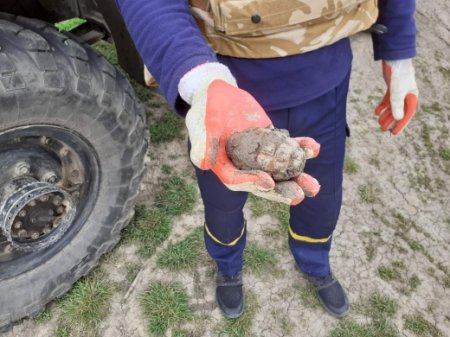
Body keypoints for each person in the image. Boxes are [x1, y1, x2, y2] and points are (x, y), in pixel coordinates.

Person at [117, 0, 418, 319]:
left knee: (321, 196)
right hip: (225, 92)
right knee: (222, 205)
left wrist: (399, 52)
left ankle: (314, 262)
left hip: (323, 79)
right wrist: (198, 77)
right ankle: (227, 265)